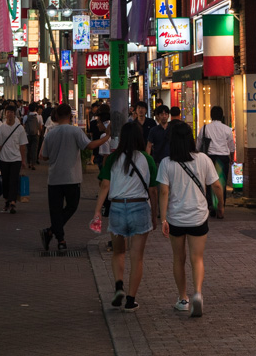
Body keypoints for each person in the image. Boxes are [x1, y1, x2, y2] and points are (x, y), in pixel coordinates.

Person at [157, 120, 221, 317]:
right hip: (199, 216)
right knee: (197, 258)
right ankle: (198, 294)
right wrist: (221, 205)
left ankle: (183, 298)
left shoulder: (166, 163)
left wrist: (163, 218)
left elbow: (163, 192)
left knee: (179, 258)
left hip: (176, 218)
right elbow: (217, 186)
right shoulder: (203, 159)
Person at [95, 121, 158, 312]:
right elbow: (153, 191)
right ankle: (131, 300)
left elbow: (104, 186)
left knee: (118, 252)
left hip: (117, 208)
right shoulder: (147, 159)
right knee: (137, 257)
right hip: (139, 207)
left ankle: (118, 286)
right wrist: (154, 216)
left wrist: (97, 211)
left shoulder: (112, 159)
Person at [39, 104, 108, 253]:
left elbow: (43, 156)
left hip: (55, 178)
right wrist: (107, 137)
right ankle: (57, 237)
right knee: (72, 206)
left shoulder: (50, 133)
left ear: (56, 116)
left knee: (55, 210)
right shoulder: (75, 131)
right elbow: (89, 146)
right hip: (72, 177)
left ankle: (57, 236)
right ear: (70, 115)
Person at [198, 106, 235, 214]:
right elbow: (231, 146)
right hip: (223, 158)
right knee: (221, 183)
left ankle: (211, 205)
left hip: (210, 158)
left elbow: (198, 144)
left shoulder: (205, 128)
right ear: (222, 115)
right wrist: (231, 158)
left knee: (210, 182)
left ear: (211, 115)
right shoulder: (227, 129)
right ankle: (221, 206)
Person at [0, 103, 27, 213]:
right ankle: (7, 199)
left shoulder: (20, 128)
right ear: (5, 114)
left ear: (15, 114)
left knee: (14, 180)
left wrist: (23, 160)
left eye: (12, 112)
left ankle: (12, 202)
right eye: (8, 113)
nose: (10, 114)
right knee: (6, 181)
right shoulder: (0, 128)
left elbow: (22, 146)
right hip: (3, 159)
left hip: (16, 159)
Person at [23, 103, 43, 169]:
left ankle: (28, 162)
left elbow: (24, 126)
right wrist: (40, 133)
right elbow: (40, 127)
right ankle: (33, 164)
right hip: (36, 134)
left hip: (28, 135)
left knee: (28, 149)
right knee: (34, 149)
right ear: (35, 108)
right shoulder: (39, 116)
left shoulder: (26, 117)